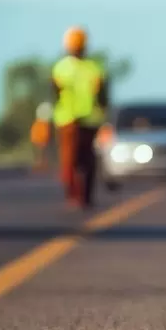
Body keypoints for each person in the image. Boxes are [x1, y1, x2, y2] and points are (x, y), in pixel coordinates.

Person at [51, 26, 108, 209]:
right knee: (83, 159)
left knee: (74, 160)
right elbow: (103, 96)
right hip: (83, 120)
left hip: (72, 120)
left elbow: (54, 93)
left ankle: (77, 195)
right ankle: (81, 196)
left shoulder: (61, 68)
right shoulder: (94, 68)